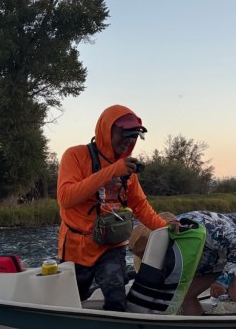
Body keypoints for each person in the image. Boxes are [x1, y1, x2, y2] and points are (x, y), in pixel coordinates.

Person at [57, 104, 178, 310]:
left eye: (134, 136)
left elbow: (139, 205)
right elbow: (65, 198)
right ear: (106, 130)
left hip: (111, 246)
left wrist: (165, 227)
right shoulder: (75, 155)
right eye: (125, 133)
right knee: (69, 301)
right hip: (76, 247)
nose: (129, 140)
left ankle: (113, 328)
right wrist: (112, 171)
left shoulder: (127, 169)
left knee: (116, 300)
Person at [129, 210, 236, 315]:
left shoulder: (204, 227)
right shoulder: (170, 246)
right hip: (216, 259)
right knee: (184, 295)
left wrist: (224, 280)